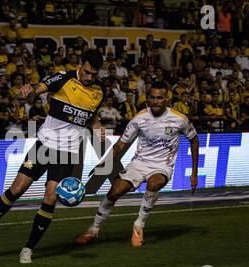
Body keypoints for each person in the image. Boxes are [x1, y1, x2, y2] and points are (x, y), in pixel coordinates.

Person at [0, 49, 106, 263]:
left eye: (94, 74)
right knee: (16, 189)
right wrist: (29, 90)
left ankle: (28, 249)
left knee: (50, 198)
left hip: (67, 153)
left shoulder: (99, 91)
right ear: (80, 64)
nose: (89, 78)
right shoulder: (63, 77)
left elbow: (93, 116)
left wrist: (97, 127)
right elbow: (39, 87)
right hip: (45, 145)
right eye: (87, 72)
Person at [73, 81, 199, 248]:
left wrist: (194, 173)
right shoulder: (139, 118)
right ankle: (93, 229)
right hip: (139, 163)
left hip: (162, 165)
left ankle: (139, 225)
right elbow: (120, 145)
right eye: (152, 97)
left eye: (159, 98)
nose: (155, 101)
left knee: (154, 183)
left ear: (167, 99)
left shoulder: (179, 119)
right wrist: (104, 162)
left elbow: (194, 140)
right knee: (113, 193)